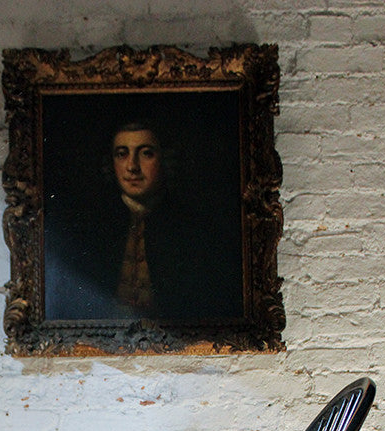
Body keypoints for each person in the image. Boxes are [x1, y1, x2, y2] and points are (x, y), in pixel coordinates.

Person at [44, 119, 243, 323]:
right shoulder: (93, 228)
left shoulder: (192, 229)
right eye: (122, 154)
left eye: (146, 153)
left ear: (164, 159)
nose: (132, 167)